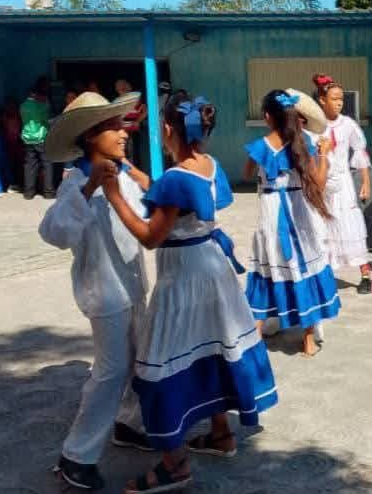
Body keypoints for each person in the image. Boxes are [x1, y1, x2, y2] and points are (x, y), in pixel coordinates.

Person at [103, 92, 277, 494]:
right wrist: (130, 172)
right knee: (212, 347)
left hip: (183, 277)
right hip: (211, 268)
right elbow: (169, 195)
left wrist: (114, 196)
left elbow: (151, 235)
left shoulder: (177, 179)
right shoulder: (207, 166)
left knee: (163, 359)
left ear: (166, 129)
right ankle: (221, 435)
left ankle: (174, 464)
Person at [39, 90, 150, 491]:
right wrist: (88, 193)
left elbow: (145, 218)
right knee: (110, 370)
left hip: (134, 284)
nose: (122, 133)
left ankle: (129, 422)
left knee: (138, 358)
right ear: (88, 136)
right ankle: (76, 455)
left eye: (120, 124)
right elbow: (53, 233)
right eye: (110, 126)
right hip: (103, 293)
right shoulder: (76, 182)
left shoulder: (123, 174)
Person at [244, 89, 340, 358]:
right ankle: (308, 341)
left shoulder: (259, 146)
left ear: (267, 117)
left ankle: (253, 336)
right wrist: (323, 156)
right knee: (302, 272)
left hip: (269, 218)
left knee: (266, 273)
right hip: (299, 219)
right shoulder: (302, 145)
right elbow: (319, 184)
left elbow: (246, 172)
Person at [312, 73, 372, 294]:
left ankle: (366, 275)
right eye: (334, 99)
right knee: (324, 227)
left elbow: (360, 152)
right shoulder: (314, 126)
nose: (339, 103)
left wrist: (365, 181)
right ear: (322, 100)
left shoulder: (348, 124)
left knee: (351, 226)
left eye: (341, 99)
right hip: (322, 183)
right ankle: (326, 276)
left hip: (345, 183)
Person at [21, 75, 55, 199]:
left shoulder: (23, 105)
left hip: (27, 138)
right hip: (41, 137)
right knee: (47, 164)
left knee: (30, 165)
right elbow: (47, 120)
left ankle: (28, 193)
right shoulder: (41, 106)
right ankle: (48, 192)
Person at [114, 79, 147, 165]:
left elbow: (145, 111)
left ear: (129, 87)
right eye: (120, 88)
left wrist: (137, 121)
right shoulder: (117, 101)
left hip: (133, 131)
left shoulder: (136, 99)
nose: (122, 89)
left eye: (124, 86)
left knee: (133, 153)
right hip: (121, 131)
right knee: (123, 153)